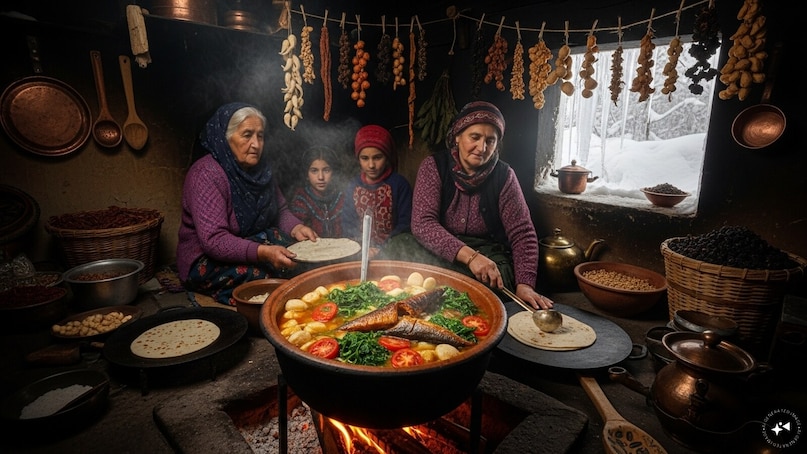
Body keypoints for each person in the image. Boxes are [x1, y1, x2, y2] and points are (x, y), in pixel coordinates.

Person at [409, 101, 553, 310]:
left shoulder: (504, 176)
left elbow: (523, 233)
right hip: (441, 248)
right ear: (457, 137)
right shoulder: (433, 167)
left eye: (490, 140)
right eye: (474, 137)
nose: (482, 148)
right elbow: (423, 224)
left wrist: (525, 285)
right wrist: (470, 257)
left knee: (491, 285)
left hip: (487, 253)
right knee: (401, 249)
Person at [176, 102, 317, 306]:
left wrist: (297, 228)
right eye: (247, 135)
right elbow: (214, 240)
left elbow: (281, 211)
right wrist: (264, 253)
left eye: (260, 136)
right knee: (266, 280)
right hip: (205, 257)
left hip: (250, 240)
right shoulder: (206, 174)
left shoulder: (262, 170)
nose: (256, 144)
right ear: (225, 137)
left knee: (299, 259)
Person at [343, 125, 413, 257]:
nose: (371, 165)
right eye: (365, 158)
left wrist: (383, 248)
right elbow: (347, 223)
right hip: (359, 251)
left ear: (387, 157)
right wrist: (362, 248)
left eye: (377, 157)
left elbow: (405, 225)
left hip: (392, 250)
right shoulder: (353, 186)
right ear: (358, 159)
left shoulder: (399, 185)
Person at [288, 145, 347, 237]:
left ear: (334, 172)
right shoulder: (301, 201)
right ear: (307, 174)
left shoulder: (342, 197)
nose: (321, 177)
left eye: (326, 170)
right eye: (314, 171)